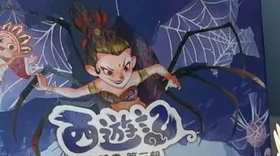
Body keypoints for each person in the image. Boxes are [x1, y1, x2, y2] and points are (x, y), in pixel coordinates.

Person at [35, 5, 179, 109]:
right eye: (108, 71)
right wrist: (50, 88)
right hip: (116, 126)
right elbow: (75, 93)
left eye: (126, 67)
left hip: (142, 118)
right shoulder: (100, 84)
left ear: (133, 61)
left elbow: (157, 68)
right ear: (92, 70)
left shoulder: (134, 77)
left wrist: (170, 77)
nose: (120, 76)